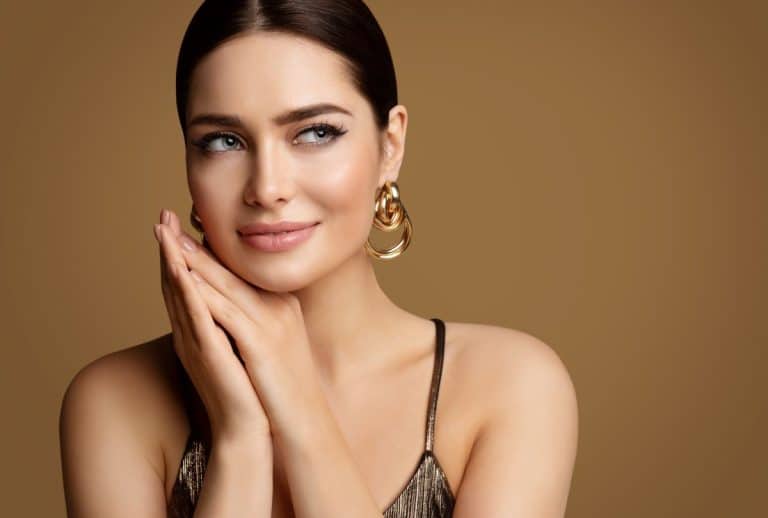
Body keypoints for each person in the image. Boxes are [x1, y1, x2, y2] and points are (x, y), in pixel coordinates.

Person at [59, 1, 578, 516]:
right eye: (223, 141)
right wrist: (240, 436)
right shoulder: (116, 400)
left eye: (316, 133)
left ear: (391, 145)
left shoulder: (510, 387)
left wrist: (300, 406)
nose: (267, 188)